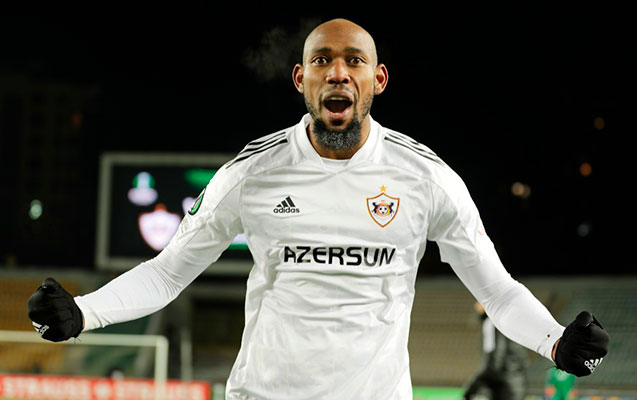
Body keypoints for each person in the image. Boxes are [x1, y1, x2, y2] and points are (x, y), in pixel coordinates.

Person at [28, 18, 609, 400]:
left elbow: (498, 291)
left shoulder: (427, 178)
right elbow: (167, 273)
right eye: (323, 60)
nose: (338, 72)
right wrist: (84, 312)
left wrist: (556, 342)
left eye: (354, 61)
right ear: (300, 78)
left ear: (378, 79)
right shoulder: (251, 173)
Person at [463, 301, 529, 400]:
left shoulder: (491, 323)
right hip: (516, 384)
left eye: (479, 301)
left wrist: (471, 389)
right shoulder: (504, 321)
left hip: (505, 387)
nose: (476, 305)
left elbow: (494, 363)